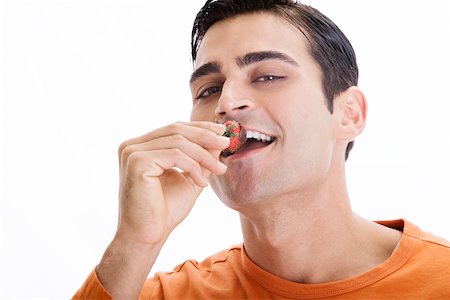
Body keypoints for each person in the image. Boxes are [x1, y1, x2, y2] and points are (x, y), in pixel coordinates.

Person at [73, 0, 450, 299]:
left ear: (348, 114)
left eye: (268, 76)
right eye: (209, 89)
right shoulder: (159, 294)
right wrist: (136, 242)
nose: (227, 102)